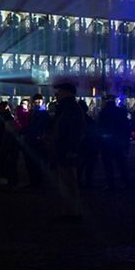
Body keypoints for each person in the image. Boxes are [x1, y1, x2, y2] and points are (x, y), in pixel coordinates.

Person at [51, 82, 84, 219]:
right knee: (66, 180)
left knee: (68, 181)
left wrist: (72, 149)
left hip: (66, 150)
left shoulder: (70, 108)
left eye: (59, 91)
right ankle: (69, 211)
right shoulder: (68, 107)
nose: (56, 94)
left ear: (66, 92)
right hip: (64, 148)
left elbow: (75, 131)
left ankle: (71, 212)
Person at [99, 94, 131, 190]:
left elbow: (100, 126)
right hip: (118, 139)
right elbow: (126, 126)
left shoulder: (103, 112)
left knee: (108, 163)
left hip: (107, 140)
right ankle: (125, 182)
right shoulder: (121, 112)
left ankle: (110, 183)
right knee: (121, 162)